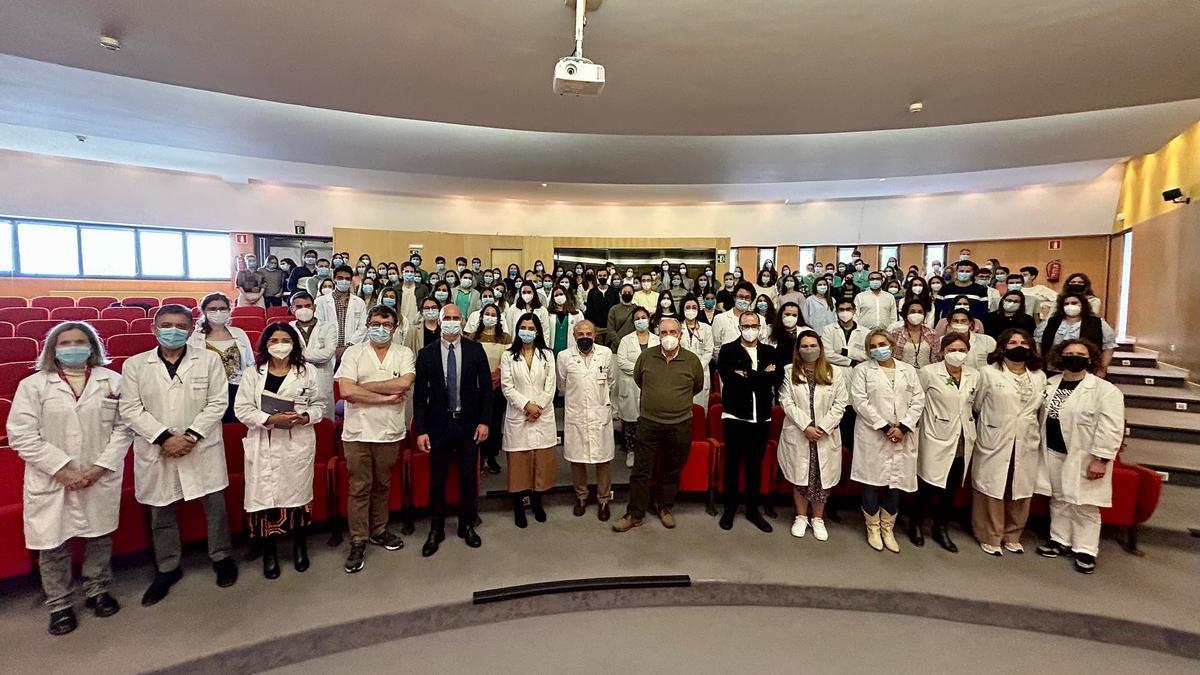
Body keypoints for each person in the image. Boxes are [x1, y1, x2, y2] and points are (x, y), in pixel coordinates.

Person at [8, 322, 133, 635]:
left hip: (98, 473)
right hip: (51, 478)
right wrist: (62, 469)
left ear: (92, 345)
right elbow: (21, 435)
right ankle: (59, 603)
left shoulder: (113, 381)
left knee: (99, 536)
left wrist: (98, 467)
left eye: (80, 341)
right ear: (53, 348)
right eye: (66, 343)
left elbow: (125, 428)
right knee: (52, 542)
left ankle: (97, 590)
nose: (74, 347)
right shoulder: (33, 385)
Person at [119, 304, 237, 606]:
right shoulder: (135, 365)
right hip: (157, 448)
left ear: (190, 329)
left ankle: (221, 557)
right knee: (162, 511)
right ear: (154, 329)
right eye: (167, 325)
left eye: (181, 326)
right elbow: (131, 409)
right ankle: (167, 567)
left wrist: (191, 436)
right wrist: (164, 438)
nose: (174, 331)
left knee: (215, 507)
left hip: (200, 445)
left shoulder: (208, 360)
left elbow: (218, 402)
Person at [234, 324, 325, 579]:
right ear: (265, 344)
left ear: (295, 343)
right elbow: (241, 409)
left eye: (286, 339)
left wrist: (305, 416)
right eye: (274, 339)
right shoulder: (253, 373)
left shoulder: (307, 372)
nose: (280, 344)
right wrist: (269, 420)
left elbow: (319, 404)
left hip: (296, 441)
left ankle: (299, 547)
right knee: (265, 500)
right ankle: (270, 552)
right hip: (264, 440)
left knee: (298, 499)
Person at [334, 304, 415, 573]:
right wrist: (386, 398)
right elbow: (346, 390)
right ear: (367, 325)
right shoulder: (353, 353)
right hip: (357, 432)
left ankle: (379, 530)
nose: (380, 329)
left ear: (395, 328)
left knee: (382, 484)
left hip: (389, 432)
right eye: (376, 324)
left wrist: (364, 387)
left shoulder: (403, 353)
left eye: (386, 325)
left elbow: (404, 384)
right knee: (359, 486)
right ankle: (358, 539)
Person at [1035, 339, 1124, 574]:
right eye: (1069, 353)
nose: (1074, 357)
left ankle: (1085, 549)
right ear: (1059, 356)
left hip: (1085, 455)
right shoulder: (1051, 383)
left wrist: (1101, 459)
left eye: (1080, 354)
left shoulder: (1105, 390)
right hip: (1054, 450)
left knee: (1085, 503)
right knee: (1059, 497)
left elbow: (1112, 427)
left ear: (1090, 358)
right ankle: (1059, 540)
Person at [413, 304, 493, 557]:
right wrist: (421, 430)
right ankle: (436, 528)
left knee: (469, 478)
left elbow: (487, 390)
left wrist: (485, 421)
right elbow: (420, 396)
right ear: (439, 320)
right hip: (439, 425)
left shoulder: (475, 349)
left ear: (462, 321)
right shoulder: (426, 354)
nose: (450, 322)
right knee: (437, 479)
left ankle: (466, 524)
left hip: (469, 424)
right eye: (446, 318)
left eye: (455, 318)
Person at [613, 318, 705, 532]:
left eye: (673, 332)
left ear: (681, 335)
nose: (669, 336)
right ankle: (635, 513)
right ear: (658, 334)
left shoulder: (692, 361)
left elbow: (697, 386)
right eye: (664, 332)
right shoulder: (646, 357)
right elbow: (639, 380)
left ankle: (665, 507)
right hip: (648, 423)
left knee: (672, 469)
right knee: (640, 470)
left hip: (680, 424)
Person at [971, 328, 1047, 557]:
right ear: (1002, 347)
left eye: (1024, 342)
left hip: (1026, 438)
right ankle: (990, 535)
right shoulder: (988, 373)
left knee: (1020, 487)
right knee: (991, 486)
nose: (1019, 346)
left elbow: (1040, 411)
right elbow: (976, 404)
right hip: (995, 435)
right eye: (1013, 342)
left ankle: (1013, 535)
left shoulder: (1039, 375)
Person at [850, 330, 925, 553]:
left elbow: (918, 400)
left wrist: (902, 427)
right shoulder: (863, 370)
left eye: (882, 343)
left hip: (902, 433)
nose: (878, 348)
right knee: (871, 482)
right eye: (873, 346)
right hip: (873, 433)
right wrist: (884, 426)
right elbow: (859, 402)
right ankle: (872, 527)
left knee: (895, 482)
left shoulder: (908, 370)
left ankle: (887, 528)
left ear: (891, 344)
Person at [910, 333, 979, 553]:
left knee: (950, 488)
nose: (956, 354)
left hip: (962, 437)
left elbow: (973, 405)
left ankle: (941, 528)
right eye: (951, 350)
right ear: (942, 352)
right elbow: (916, 401)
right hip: (934, 435)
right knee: (927, 484)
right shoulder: (929, 373)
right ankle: (916, 524)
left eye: (961, 350)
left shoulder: (974, 375)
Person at [777, 331, 847, 542]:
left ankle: (817, 518)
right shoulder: (789, 371)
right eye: (804, 346)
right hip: (800, 432)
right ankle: (800, 516)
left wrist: (823, 427)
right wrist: (806, 426)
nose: (809, 350)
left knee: (821, 478)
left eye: (813, 345)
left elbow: (841, 403)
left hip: (825, 435)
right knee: (801, 476)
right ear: (798, 350)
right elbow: (785, 400)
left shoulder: (834, 372)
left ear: (821, 348)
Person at [716, 311, 781, 532]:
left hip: (761, 417)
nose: (750, 329)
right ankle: (730, 508)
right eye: (746, 325)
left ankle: (753, 510)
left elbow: (775, 378)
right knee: (732, 464)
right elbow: (729, 379)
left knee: (755, 465)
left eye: (754, 325)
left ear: (760, 327)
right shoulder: (728, 350)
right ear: (739, 326)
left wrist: (747, 375)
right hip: (735, 416)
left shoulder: (769, 351)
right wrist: (760, 376)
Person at [555, 321, 618, 522]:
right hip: (576, 414)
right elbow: (562, 385)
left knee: (603, 459)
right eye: (580, 333)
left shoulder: (606, 354)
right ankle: (581, 497)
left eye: (588, 333)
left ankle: (604, 499)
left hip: (600, 414)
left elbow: (611, 380)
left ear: (595, 335)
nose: (585, 336)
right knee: (577, 459)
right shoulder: (564, 357)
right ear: (574, 336)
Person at [500, 314, 558, 527]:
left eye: (530, 327)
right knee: (519, 463)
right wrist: (526, 405)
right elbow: (507, 386)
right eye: (523, 327)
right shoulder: (508, 355)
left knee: (540, 462)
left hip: (541, 415)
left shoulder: (547, 355)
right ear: (518, 330)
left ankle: (537, 501)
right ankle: (518, 505)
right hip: (519, 414)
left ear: (537, 331)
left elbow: (551, 385)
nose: (527, 331)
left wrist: (538, 407)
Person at [189, 293, 254, 423]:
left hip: (237, 390)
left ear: (229, 310)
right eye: (212, 309)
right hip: (207, 392)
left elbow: (250, 363)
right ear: (204, 311)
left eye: (222, 308)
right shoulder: (194, 337)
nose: (218, 312)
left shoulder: (239, 333)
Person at [470, 303, 511, 475]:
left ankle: (492, 457)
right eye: (487, 313)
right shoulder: (472, 337)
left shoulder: (506, 338)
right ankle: (478, 458)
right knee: (477, 423)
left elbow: (508, 361)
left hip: (497, 387)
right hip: (476, 386)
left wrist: (495, 377)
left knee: (494, 424)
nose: (490, 317)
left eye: (493, 314)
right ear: (481, 316)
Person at [1034, 293, 1116, 377]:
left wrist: (1102, 368)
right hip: (1054, 370)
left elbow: (1109, 347)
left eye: (1074, 303)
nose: (1070, 306)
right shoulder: (1051, 322)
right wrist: (1040, 362)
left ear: (1083, 305)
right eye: (1066, 304)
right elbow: (1038, 342)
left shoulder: (1097, 323)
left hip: (1086, 371)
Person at [616, 307, 658, 469]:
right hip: (631, 385)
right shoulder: (626, 340)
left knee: (648, 422)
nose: (641, 321)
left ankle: (646, 452)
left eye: (643, 317)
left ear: (648, 319)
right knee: (631, 422)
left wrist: (648, 370)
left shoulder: (657, 339)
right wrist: (642, 369)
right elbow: (621, 362)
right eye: (637, 318)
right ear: (633, 322)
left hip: (652, 385)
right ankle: (631, 450)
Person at [288, 292, 337, 407]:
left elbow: (327, 354)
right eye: (299, 307)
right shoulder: (288, 328)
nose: (304, 310)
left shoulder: (328, 327)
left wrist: (297, 355)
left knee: (324, 418)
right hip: (296, 378)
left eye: (307, 306)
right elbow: (286, 355)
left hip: (322, 378)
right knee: (299, 416)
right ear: (292, 309)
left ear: (314, 307)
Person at [315, 265, 368, 359]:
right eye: (340, 278)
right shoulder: (321, 301)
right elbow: (319, 326)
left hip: (352, 349)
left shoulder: (359, 302)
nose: (344, 281)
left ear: (351, 281)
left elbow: (362, 328)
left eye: (347, 279)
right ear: (333, 279)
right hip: (328, 350)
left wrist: (348, 347)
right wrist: (332, 348)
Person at [679, 296, 715, 406]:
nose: (691, 310)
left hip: (701, 371)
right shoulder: (677, 328)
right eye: (688, 307)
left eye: (694, 307)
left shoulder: (706, 328)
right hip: (681, 371)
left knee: (700, 409)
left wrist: (697, 367)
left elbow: (709, 351)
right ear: (683, 309)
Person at [711, 283, 763, 357]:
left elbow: (763, 345)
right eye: (741, 297)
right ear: (734, 297)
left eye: (747, 298)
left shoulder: (761, 319)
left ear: (751, 300)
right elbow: (715, 347)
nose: (743, 300)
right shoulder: (720, 319)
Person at [889, 300, 939, 369]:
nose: (916, 314)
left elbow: (936, 359)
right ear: (906, 314)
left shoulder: (932, 334)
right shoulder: (895, 333)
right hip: (903, 375)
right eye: (912, 311)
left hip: (927, 375)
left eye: (920, 312)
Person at [821, 300, 868, 367]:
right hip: (835, 370)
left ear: (854, 311)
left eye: (848, 309)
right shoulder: (828, 330)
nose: (845, 312)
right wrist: (851, 362)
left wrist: (847, 352)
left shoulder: (865, 332)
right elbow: (827, 354)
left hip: (858, 370)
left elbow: (867, 355)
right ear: (836, 312)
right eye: (841, 309)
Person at [545, 286, 584, 357]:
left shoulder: (577, 313)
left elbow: (581, 331)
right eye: (556, 295)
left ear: (566, 295)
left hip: (571, 349)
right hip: (552, 349)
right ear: (553, 298)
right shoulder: (548, 314)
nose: (559, 297)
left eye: (561, 294)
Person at [585, 267, 619, 347]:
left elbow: (617, 309)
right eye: (600, 276)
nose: (602, 277)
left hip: (611, 328)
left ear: (607, 277)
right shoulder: (592, 292)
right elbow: (589, 311)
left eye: (604, 275)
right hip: (597, 328)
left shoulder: (614, 291)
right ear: (597, 277)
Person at [769, 302, 804, 368]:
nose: (790, 317)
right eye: (787, 314)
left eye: (794, 315)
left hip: (799, 367)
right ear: (781, 315)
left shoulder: (806, 330)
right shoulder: (770, 330)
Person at [606, 282, 639, 349]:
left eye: (629, 292)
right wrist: (620, 344)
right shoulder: (614, 309)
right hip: (616, 345)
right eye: (625, 292)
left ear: (633, 294)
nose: (627, 294)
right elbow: (611, 330)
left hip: (634, 345)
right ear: (620, 294)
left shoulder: (637, 309)